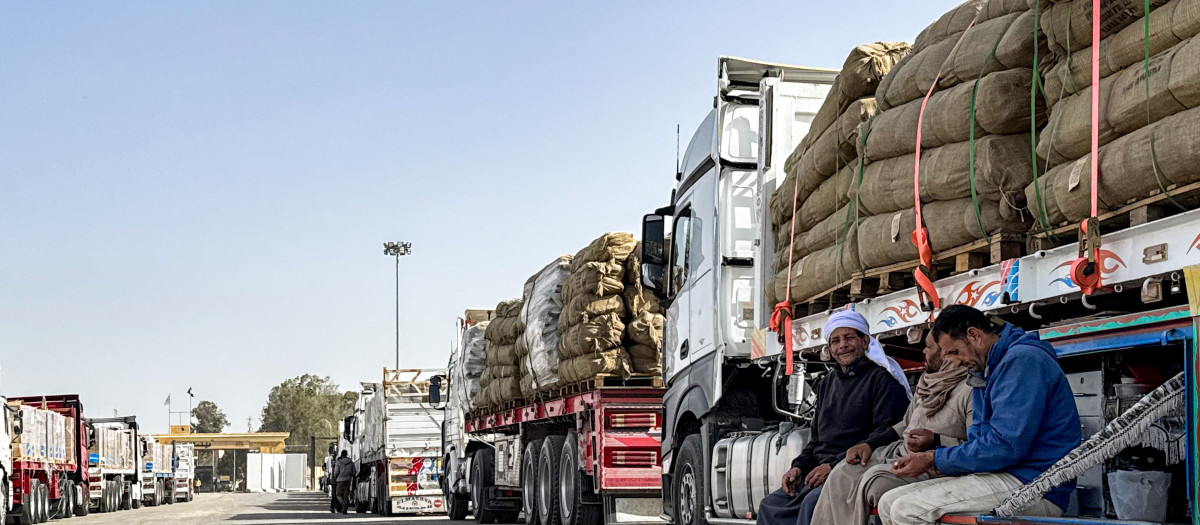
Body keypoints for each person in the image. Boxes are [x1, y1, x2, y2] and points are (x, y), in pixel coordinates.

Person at [879, 305, 1081, 525]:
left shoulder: (1023, 361)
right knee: (888, 502)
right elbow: (979, 439)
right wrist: (938, 460)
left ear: (974, 335)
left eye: (954, 352)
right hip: (1004, 475)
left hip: (1036, 485)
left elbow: (1005, 446)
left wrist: (933, 459)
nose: (954, 362)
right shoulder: (983, 370)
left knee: (907, 509)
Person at [756, 309, 909, 525]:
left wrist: (834, 466)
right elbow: (817, 439)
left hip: (854, 471)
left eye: (849, 338)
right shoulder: (827, 383)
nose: (842, 345)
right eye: (835, 341)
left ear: (865, 341)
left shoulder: (882, 379)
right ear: (830, 349)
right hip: (821, 470)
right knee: (771, 506)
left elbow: (886, 435)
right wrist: (798, 467)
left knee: (812, 505)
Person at [810, 330, 972, 525]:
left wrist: (935, 440)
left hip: (933, 464)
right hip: (898, 452)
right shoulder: (927, 383)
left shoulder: (970, 390)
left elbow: (975, 447)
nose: (924, 352)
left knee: (873, 481)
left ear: (946, 352)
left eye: (929, 348)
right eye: (835, 341)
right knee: (843, 472)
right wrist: (868, 445)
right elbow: (904, 424)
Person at [331, 450, 356, 514]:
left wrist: (336, 477)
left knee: (338, 494)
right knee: (346, 495)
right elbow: (354, 472)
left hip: (340, 480)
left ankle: (343, 504)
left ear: (341, 454)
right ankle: (345, 509)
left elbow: (336, 472)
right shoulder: (351, 462)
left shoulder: (338, 462)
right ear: (347, 454)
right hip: (348, 480)